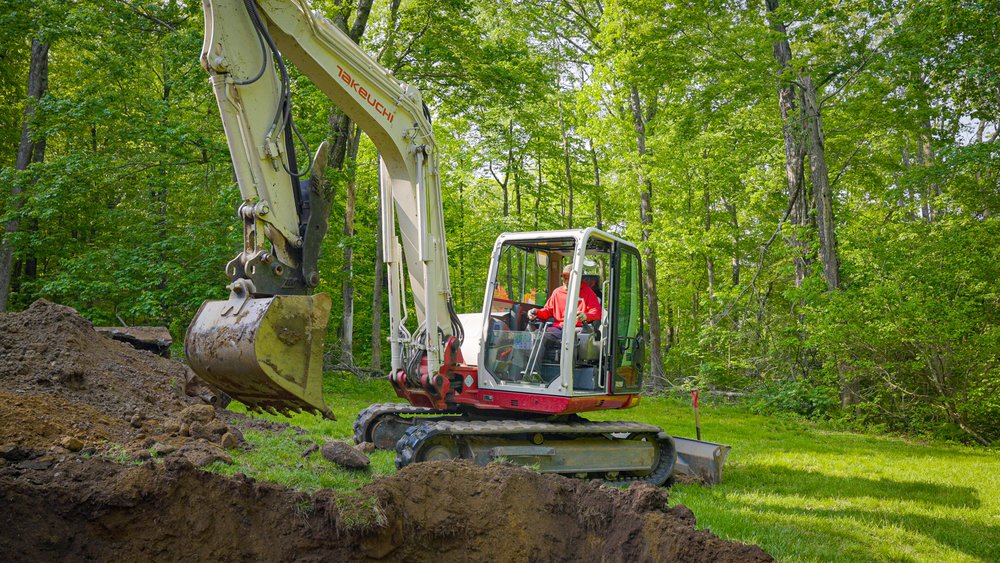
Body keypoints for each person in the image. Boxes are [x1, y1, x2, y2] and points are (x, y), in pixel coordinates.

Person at [527, 264, 601, 362]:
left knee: (572, 339)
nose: (565, 282)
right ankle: (533, 374)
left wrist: (585, 316)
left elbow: (596, 312)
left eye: (568, 278)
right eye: (564, 278)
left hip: (577, 329)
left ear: (578, 278)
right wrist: (536, 312)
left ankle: (569, 372)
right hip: (558, 329)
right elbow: (547, 311)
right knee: (537, 336)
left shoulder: (588, 292)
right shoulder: (557, 292)